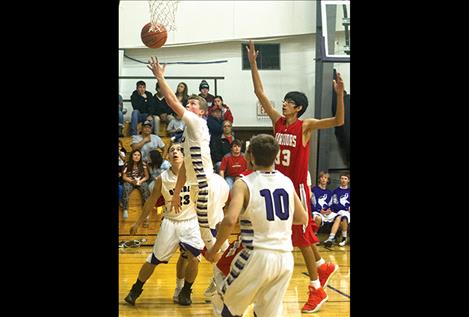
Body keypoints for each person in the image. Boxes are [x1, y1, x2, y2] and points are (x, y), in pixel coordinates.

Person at [247, 40, 344, 313]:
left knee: (300, 238)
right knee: (302, 236)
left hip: (298, 187)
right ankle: (324, 266)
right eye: (286, 101)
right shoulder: (277, 121)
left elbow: (338, 121)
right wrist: (254, 62)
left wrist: (339, 94)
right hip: (280, 184)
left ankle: (317, 288)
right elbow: (259, 92)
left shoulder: (306, 125)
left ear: (298, 108)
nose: (284, 104)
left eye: (289, 102)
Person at [147, 56, 231, 300]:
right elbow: (184, 168)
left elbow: (173, 102)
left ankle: (227, 277)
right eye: (190, 103)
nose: (190, 105)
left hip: (206, 186)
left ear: (202, 112)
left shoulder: (195, 122)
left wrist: (160, 77)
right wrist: (175, 194)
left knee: (208, 238)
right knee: (210, 237)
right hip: (203, 185)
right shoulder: (188, 134)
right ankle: (221, 277)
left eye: (194, 103)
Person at [205, 134, 308, 317]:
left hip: (257, 256)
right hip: (284, 258)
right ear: (275, 156)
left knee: (226, 307)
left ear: (250, 156)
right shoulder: (286, 181)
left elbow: (229, 220)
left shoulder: (243, 183)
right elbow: (301, 217)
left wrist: (214, 250)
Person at [124, 143, 204, 306]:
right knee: (154, 259)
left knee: (194, 257)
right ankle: (135, 290)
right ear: (167, 157)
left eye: (179, 150)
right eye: (172, 150)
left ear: (184, 156)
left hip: (190, 222)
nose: (175, 152)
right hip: (170, 222)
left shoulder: (194, 175)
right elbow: (151, 201)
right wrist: (138, 222)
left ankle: (185, 291)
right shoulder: (162, 178)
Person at [121, 149, 150, 220]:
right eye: (135, 155)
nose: (137, 157)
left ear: (140, 156)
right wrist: (131, 181)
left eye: (138, 155)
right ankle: (125, 209)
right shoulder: (127, 164)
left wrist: (140, 181)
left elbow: (147, 176)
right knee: (125, 188)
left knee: (146, 189)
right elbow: (124, 176)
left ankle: (146, 211)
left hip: (140, 181)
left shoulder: (143, 164)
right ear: (132, 156)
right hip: (130, 181)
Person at [324, 173, 351, 247]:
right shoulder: (335, 191)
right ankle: (333, 238)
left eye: (345, 179)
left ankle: (344, 238)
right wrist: (329, 210)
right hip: (338, 212)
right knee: (341, 217)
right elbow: (333, 203)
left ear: (348, 180)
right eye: (342, 178)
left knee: (344, 217)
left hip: (347, 212)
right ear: (340, 180)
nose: (343, 180)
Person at [311, 171, 336, 237]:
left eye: (325, 178)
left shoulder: (329, 192)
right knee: (318, 218)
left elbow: (331, 205)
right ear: (319, 179)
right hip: (317, 212)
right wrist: (320, 211)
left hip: (326, 213)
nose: (324, 179)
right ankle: (314, 235)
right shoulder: (314, 190)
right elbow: (311, 204)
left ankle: (332, 237)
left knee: (339, 217)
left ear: (328, 180)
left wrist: (329, 210)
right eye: (322, 177)